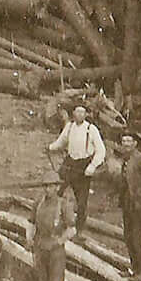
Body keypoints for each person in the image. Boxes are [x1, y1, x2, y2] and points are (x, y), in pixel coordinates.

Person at [49, 99, 111, 237]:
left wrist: (92, 166)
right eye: (77, 112)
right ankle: (55, 222)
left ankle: (79, 230)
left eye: (82, 112)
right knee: (57, 192)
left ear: (86, 114)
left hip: (83, 166)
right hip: (70, 163)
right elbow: (61, 142)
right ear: (73, 113)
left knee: (81, 201)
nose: (80, 114)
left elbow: (101, 150)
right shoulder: (69, 126)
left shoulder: (91, 129)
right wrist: (50, 147)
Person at [115, 127, 141, 277]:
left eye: (129, 141)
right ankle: (134, 268)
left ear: (135, 143)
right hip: (128, 201)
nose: (126, 143)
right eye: (124, 141)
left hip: (140, 204)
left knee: (138, 236)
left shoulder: (139, 158)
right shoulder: (126, 158)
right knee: (128, 236)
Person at [29, 183, 71, 281]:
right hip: (40, 248)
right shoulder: (39, 203)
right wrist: (30, 239)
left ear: (57, 187)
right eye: (46, 186)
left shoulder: (63, 205)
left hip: (56, 253)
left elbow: (72, 229)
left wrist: (59, 241)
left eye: (51, 186)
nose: (48, 189)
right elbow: (31, 223)